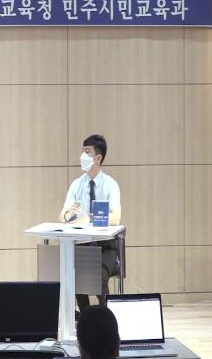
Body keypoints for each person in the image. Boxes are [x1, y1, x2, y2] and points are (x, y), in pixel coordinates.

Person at [59, 134, 121, 312]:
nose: (82, 156)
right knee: (75, 278)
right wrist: (69, 214)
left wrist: (90, 219)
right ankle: (85, 317)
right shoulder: (76, 184)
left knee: (98, 278)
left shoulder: (110, 184)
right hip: (82, 244)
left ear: (98, 158)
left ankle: (105, 316)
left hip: (105, 246)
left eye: (87, 152)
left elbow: (116, 218)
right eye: (83, 151)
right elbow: (62, 216)